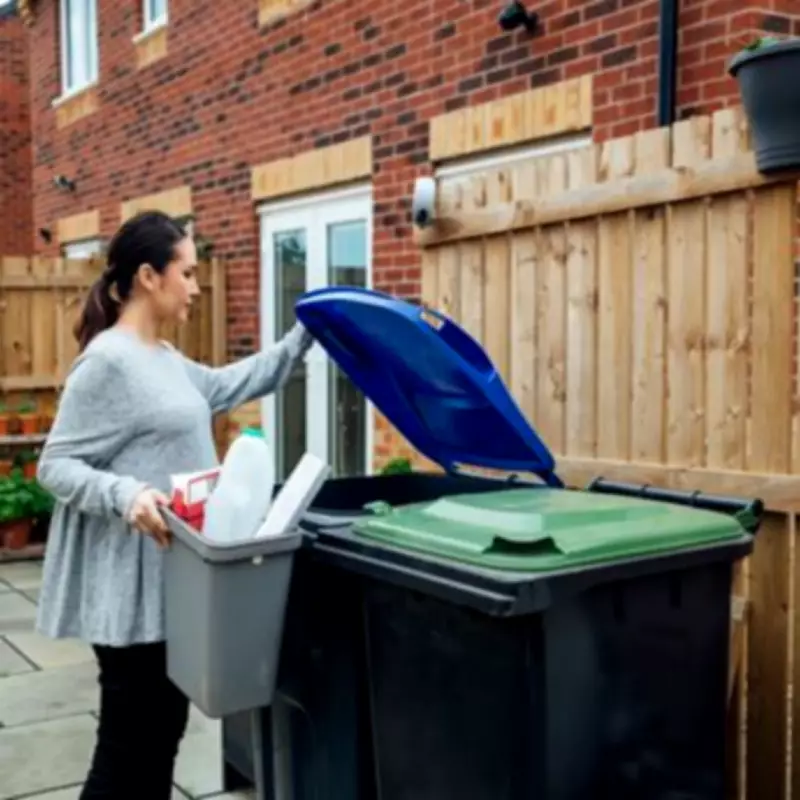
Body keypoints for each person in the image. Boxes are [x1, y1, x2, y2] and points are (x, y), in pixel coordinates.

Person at [35, 210, 314, 799]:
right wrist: (127, 494)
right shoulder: (107, 362)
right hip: (128, 593)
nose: (195, 287)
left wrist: (306, 335)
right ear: (148, 276)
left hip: (170, 584)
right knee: (127, 749)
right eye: (186, 273)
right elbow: (54, 464)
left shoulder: (162, 357)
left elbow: (234, 383)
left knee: (160, 737)